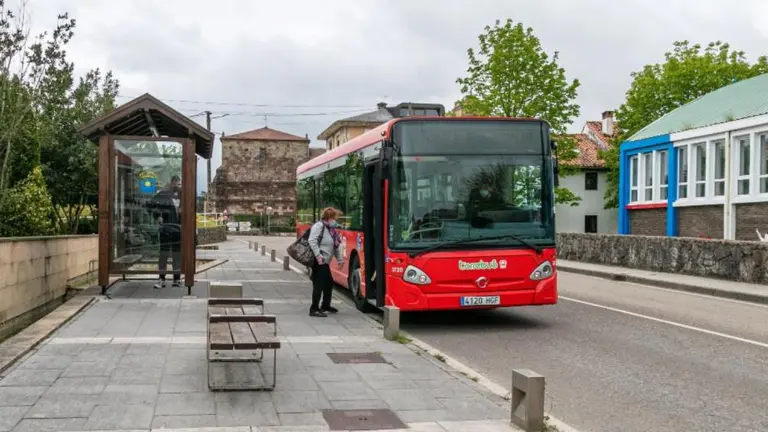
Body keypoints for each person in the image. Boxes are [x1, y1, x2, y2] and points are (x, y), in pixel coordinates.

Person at [307, 207, 345, 317]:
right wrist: (318, 256)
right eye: (334, 218)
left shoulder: (331, 230)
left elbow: (336, 245)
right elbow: (312, 241)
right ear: (328, 218)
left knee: (328, 283)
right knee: (319, 284)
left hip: (325, 261)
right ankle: (314, 309)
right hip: (319, 261)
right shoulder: (319, 226)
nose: (335, 220)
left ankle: (325, 305)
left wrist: (340, 260)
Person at [150, 175, 182, 289]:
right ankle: (161, 279)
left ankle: (177, 279)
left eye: (178, 184)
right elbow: (151, 204)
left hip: (178, 231)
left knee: (177, 256)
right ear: (171, 183)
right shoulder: (163, 194)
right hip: (165, 230)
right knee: (163, 255)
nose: (177, 186)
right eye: (175, 183)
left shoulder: (184, 196)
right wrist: (158, 216)